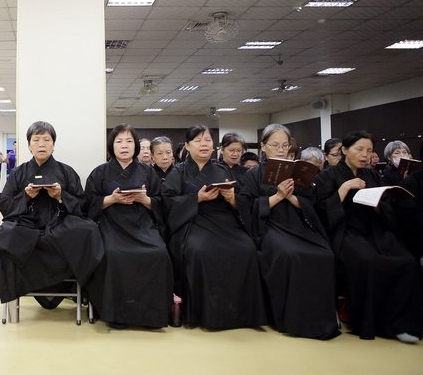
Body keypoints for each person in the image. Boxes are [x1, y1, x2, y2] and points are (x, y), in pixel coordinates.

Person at [313, 130, 422, 342]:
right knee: (368, 261)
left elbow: (386, 208)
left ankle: (401, 324)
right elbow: (321, 211)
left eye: (369, 150)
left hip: (374, 229)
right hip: (345, 231)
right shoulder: (327, 176)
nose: (365, 155)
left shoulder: (372, 175)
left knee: (406, 261)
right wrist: (344, 188)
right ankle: (369, 321)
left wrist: (378, 205)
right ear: (344, 150)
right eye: (359, 149)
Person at [0, 121, 103, 308]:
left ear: (53, 144)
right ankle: (15, 291)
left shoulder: (66, 171)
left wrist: (60, 196)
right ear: (29, 145)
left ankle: (78, 291)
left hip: (59, 223)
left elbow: (83, 204)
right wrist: (25, 196)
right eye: (36, 140)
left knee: (89, 230)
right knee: (2, 238)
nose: (42, 144)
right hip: (26, 224)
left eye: (47, 140)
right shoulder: (18, 173)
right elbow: (5, 205)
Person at [161, 124, 265, 329]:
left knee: (246, 248)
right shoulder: (178, 172)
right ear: (188, 146)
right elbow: (168, 202)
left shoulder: (223, 170)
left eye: (207, 140)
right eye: (198, 140)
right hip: (193, 222)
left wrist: (232, 198)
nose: (204, 144)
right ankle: (204, 311)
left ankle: (237, 310)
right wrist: (196, 198)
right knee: (199, 250)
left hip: (224, 221)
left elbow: (243, 202)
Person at [242, 124, 339, 340]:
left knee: (324, 254)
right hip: (271, 227)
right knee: (289, 255)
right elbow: (247, 207)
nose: (280, 149)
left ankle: (320, 319)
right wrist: (277, 196)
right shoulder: (253, 174)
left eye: (284, 145)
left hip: (298, 224)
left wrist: (293, 197)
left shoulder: (300, 170)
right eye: (274, 145)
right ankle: (290, 319)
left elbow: (312, 203)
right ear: (263, 147)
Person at [84, 124, 172, 329]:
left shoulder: (148, 173)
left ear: (136, 146)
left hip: (142, 225)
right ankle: (116, 313)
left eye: (129, 141)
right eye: (119, 141)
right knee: (112, 254)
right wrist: (111, 199)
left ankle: (151, 315)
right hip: (111, 225)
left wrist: (145, 200)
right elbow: (87, 204)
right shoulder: (100, 172)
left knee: (158, 253)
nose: (124, 146)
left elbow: (162, 203)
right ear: (111, 146)